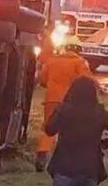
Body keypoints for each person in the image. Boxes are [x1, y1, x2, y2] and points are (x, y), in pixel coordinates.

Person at [36, 35, 92, 171]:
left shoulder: (51, 61)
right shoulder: (80, 62)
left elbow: (42, 80)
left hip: (51, 100)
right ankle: (68, 158)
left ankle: (43, 153)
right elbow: (87, 81)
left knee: (49, 129)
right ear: (78, 49)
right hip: (71, 103)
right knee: (71, 130)